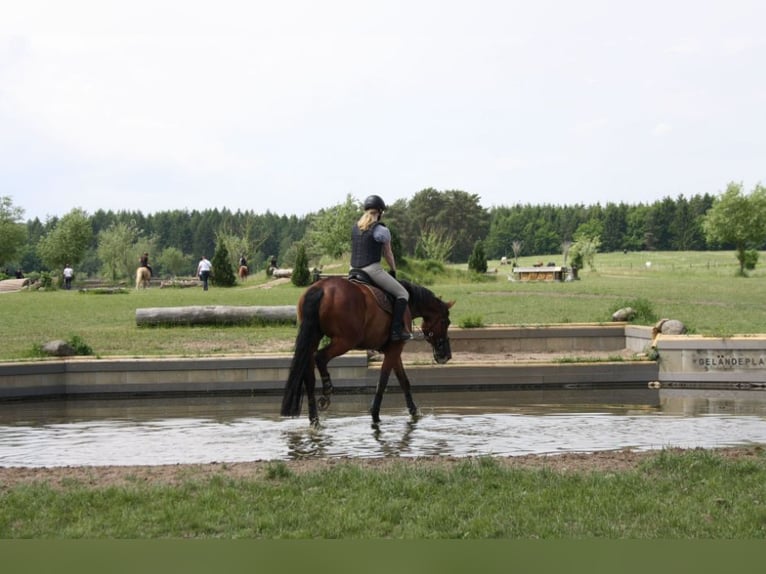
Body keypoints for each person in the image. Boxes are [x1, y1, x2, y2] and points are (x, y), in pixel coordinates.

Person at [350, 194, 413, 341]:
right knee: (403, 294)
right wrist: (393, 269)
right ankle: (396, 331)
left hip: (352, 269)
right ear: (380, 212)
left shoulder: (355, 228)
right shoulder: (381, 230)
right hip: (371, 269)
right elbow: (388, 254)